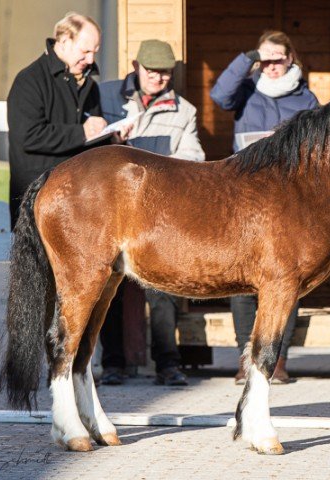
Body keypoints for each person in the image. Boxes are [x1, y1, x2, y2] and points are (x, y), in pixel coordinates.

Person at [210, 30, 319, 384]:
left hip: (290, 198)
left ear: (291, 58)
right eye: (266, 60)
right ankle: (246, 356)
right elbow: (219, 94)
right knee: (243, 279)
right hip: (245, 195)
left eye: (278, 59)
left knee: (289, 279)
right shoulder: (247, 90)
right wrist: (248, 57)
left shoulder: (306, 98)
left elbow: (318, 148)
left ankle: (278, 357)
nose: (272, 66)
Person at [98, 39, 205, 386]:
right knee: (108, 289)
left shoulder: (184, 111)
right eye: (152, 71)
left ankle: (167, 363)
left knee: (164, 292)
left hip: (158, 216)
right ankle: (112, 362)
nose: (158, 78)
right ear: (136, 66)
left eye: (165, 73)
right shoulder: (106, 97)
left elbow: (194, 158)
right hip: (113, 210)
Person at [7, 12, 125, 229]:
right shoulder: (29, 81)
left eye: (95, 52)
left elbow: (91, 142)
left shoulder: (90, 85)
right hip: (36, 198)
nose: (91, 59)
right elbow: (28, 136)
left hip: (79, 198)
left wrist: (112, 139)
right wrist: (82, 132)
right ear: (63, 41)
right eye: (85, 51)